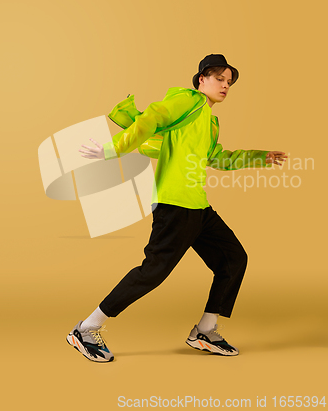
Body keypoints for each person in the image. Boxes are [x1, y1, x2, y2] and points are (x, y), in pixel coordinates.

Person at [66, 54, 287, 363]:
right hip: (174, 204)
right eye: (219, 79)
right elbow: (152, 117)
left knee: (233, 259)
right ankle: (86, 328)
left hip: (198, 207)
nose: (225, 85)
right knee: (153, 273)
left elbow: (218, 158)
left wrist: (258, 156)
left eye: (229, 82)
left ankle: (205, 331)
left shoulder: (209, 120)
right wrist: (111, 149)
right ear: (202, 80)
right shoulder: (188, 100)